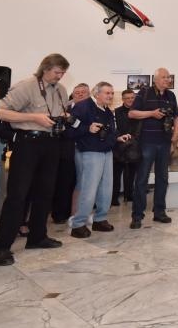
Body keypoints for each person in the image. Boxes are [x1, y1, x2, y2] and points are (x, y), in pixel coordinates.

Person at [0, 53, 72, 266]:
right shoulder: (26, 86)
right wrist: (33, 117)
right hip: (28, 143)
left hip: (52, 143)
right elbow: (0, 112)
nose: (60, 76)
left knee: (45, 193)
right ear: (45, 69)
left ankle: (37, 236)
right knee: (17, 195)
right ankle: (2, 247)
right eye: (57, 72)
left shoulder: (61, 90)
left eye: (63, 73)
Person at [68, 82, 129, 238]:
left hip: (106, 151)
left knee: (106, 188)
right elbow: (69, 130)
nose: (110, 96)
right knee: (89, 189)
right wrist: (87, 129)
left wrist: (117, 137)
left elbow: (110, 131)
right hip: (90, 152)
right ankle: (78, 224)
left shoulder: (107, 110)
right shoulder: (83, 107)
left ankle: (100, 219)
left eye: (112, 93)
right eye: (107, 93)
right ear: (96, 94)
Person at [129, 68, 178, 229]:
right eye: (164, 77)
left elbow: (176, 116)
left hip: (164, 142)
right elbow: (132, 114)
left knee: (162, 178)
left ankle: (159, 212)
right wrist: (151, 113)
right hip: (147, 142)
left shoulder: (171, 95)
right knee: (142, 179)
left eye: (169, 77)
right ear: (155, 79)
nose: (167, 80)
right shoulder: (144, 93)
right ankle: (137, 216)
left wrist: (175, 134)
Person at [51, 83, 89, 224]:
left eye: (84, 92)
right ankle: (60, 214)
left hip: (86, 151)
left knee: (83, 183)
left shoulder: (93, 110)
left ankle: (79, 212)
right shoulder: (62, 109)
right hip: (66, 152)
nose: (80, 94)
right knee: (64, 183)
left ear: (89, 95)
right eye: (77, 92)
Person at [112, 89, 138, 205]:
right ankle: (114, 198)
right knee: (116, 173)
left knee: (131, 172)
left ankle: (129, 195)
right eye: (127, 98)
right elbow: (114, 128)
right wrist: (120, 137)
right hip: (119, 146)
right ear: (123, 99)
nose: (130, 100)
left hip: (134, 146)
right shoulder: (116, 111)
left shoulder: (139, 111)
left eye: (132, 98)